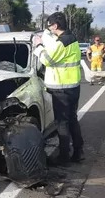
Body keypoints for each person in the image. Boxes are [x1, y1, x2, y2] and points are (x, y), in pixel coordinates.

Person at [33, 12, 84, 163]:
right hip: (73, 86)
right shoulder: (72, 39)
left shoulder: (62, 43)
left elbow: (47, 60)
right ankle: (78, 152)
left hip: (61, 89)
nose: (49, 29)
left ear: (55, 26)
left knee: (62, 123)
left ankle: (63, 156)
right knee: (72, 120)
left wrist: (38, 46)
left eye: (49, 26)